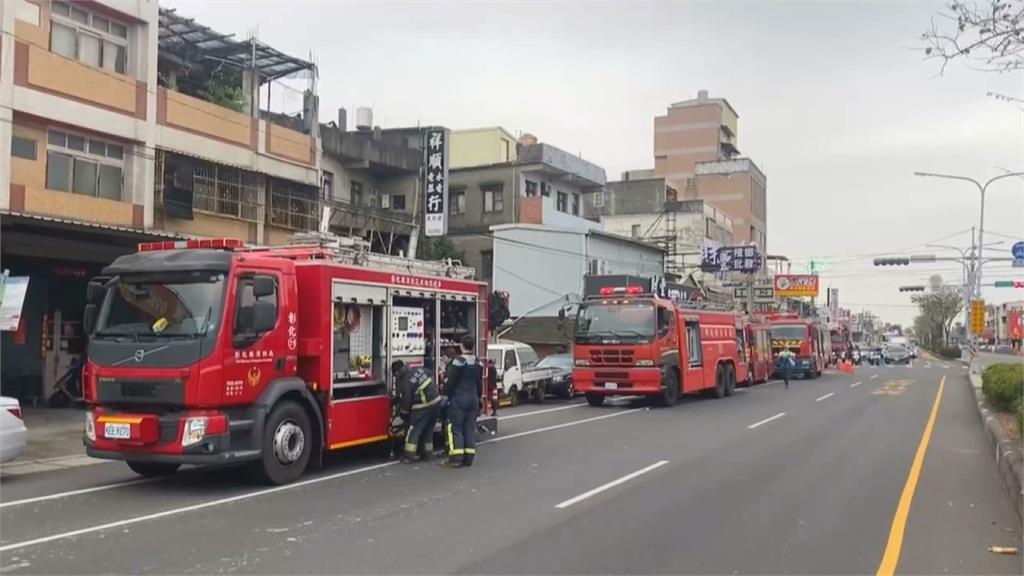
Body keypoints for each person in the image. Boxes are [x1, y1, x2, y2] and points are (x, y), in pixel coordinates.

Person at [443, 334, 483, 468]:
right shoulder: (478, 362)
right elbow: (479, 383)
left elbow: (451, 382)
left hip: (459, 399)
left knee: (455, 428)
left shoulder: (457, 361)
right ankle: (468, 458)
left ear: (461, 346)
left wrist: (445, 397)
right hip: (473, 400)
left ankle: (456, 459)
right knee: (469, 428)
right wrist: (479, 397)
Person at [392, 360, 441, 463]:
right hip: (436, 403)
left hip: (423, 406)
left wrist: (403, 413)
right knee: (428, 430)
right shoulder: (419, 369)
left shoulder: (406, 382)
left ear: (397, 372)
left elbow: (407, 400)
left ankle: (408, 456)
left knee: (413, 431)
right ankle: (427, 454)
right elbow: (431, 374)